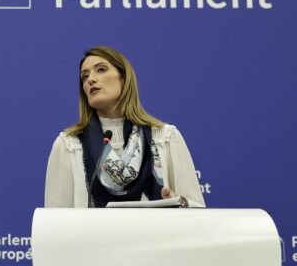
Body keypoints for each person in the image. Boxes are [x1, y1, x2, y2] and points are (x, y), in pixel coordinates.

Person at [45, 46, 205, 208]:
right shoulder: (69, 145)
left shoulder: (165, 137)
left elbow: (198, 213)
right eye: (85, 76)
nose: (90, 79)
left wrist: (179, 203)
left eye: (101, 70)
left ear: (124, 79)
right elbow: (55, 222)